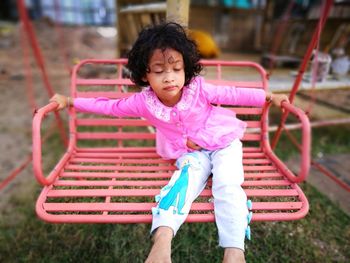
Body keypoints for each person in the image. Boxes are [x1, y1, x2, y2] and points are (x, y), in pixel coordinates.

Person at [50, 22, 289, 263]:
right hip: (189, 152)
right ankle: (162, 240)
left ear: (185, 68)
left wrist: (270, 97)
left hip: (222, 141)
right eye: (159, 70)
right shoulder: (143, 103)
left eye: (176, 69)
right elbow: (109, 106)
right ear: (145, 74)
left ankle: (234, 251)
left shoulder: (198, 89)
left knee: (227, 183)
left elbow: (234, 94)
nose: (169, 78)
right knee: (182, 182)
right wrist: (70, 101)